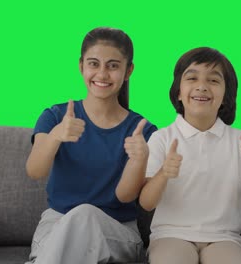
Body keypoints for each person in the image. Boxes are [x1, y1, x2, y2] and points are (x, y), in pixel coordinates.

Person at [139, 47, 241, 264]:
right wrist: (164, 173)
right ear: (178, 91)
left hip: (224, 238)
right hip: (170, 235)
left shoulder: (240, 140)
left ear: (226, 96)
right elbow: (146, 203)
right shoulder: (162, 138)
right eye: (192, 78)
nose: (202, 86)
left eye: (213, 80)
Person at [25, 27, 157, 264]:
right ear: (81, 66)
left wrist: (139, 158)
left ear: (129, 71)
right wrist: (55, 136)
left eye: (113, 65)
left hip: (117, 231)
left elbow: (126, 196)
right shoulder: (54, 117)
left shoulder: (142, 132)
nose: (102, 74)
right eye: (94, 64)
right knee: (77, 225)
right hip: (56, 224)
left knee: (84, 214)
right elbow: (35, 171)